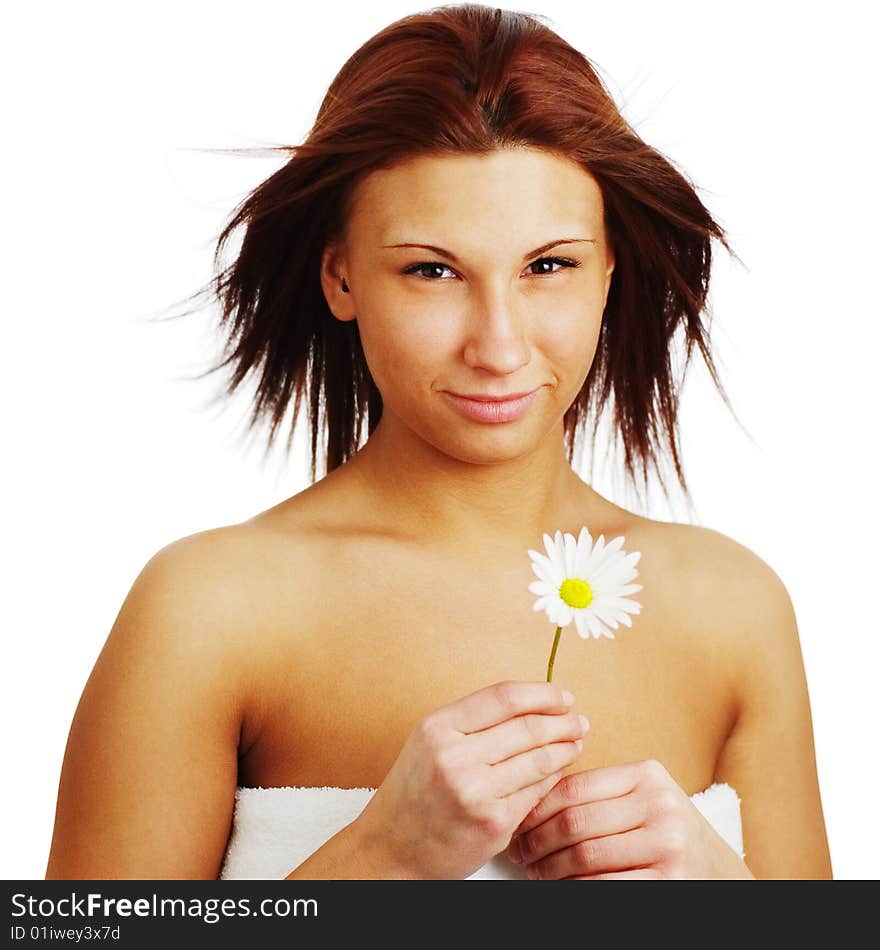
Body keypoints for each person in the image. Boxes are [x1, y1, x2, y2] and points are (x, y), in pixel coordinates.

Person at [44, 3, 832, 880]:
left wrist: (726, 898)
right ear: (341, 275)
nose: (498, 346)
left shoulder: (735, 610)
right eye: (431, 270)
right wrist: (383, 856)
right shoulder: (207, 610)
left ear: (610, 268)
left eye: (548, 266)